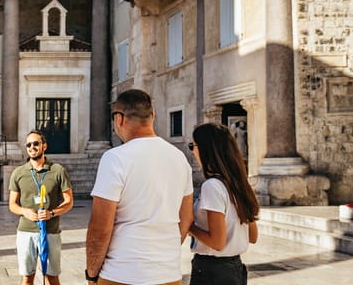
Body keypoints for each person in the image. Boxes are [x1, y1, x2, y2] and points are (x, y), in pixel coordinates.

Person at [85, 89, 194, 285]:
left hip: (122, 274)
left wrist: (92, 274)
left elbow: (100, 226)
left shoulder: (115, 158)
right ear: (152, 116)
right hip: (168, 275)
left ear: (119, 119)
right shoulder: (179, 158)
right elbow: (186, 219)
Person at [188, 123, 259, 285]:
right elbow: (252, 236)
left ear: (205, 149)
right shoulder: (240, 185)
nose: (193, 151)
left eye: (193, 145)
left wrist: (189, 226)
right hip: (235, 269)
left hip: (211, 271)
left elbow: (217, 242)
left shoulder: (212, 186)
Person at [9, 130, 74, 285]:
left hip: (51, 231)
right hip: (26, 232)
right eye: (29, 144)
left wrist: (51, 213)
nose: (32, 147)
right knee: (27, 277)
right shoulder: (18, 173)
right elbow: (12, 205)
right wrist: (25, 211)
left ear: (44, 146)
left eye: (36, 143)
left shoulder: (58, 171)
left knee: (51, 277)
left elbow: (69, 201)